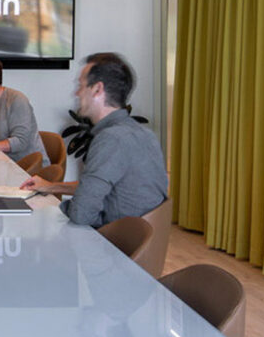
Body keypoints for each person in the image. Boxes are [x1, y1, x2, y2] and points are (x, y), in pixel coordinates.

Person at [21, 52, 168, 227]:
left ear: (97, 89)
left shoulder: (111, 139)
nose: (76, 93)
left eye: (81, 85)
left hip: (113, 244)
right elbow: (99, 185)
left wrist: (64, 206)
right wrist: (51, 186)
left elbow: (81, 215)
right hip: (139, 243)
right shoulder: (144, 134)